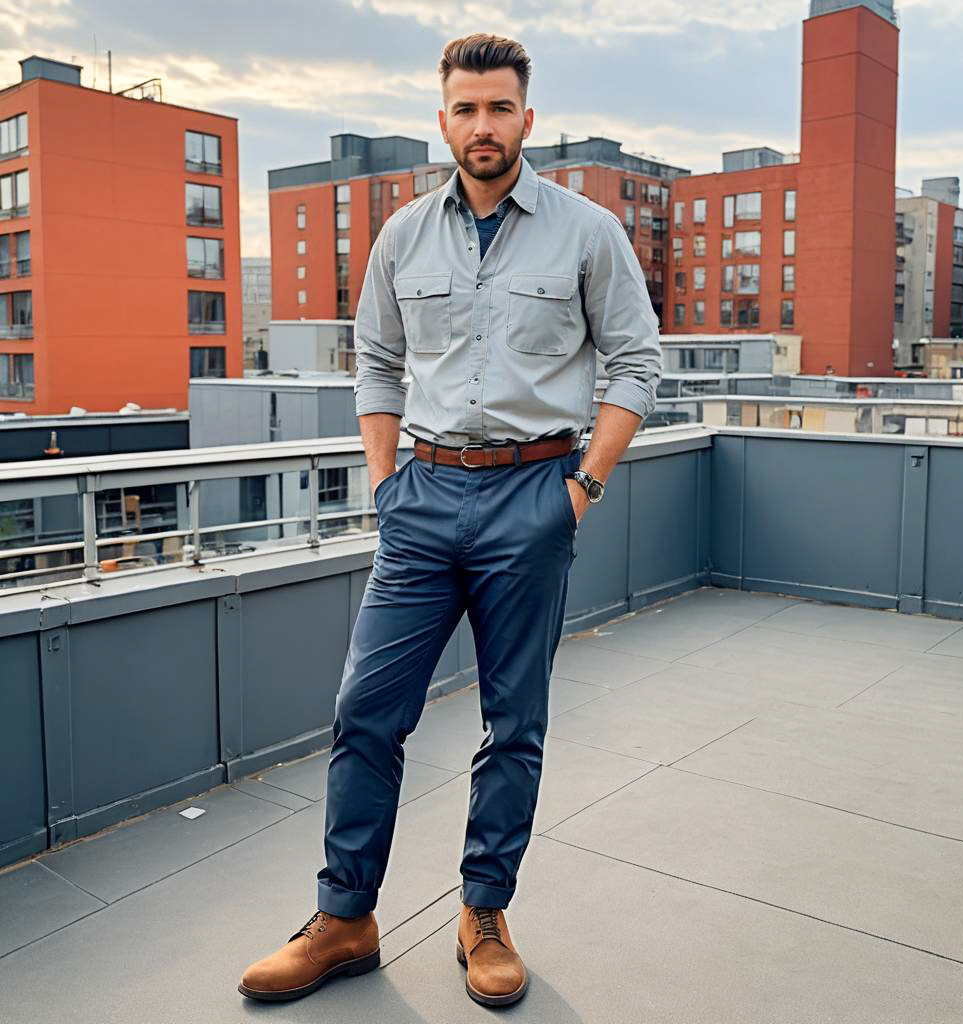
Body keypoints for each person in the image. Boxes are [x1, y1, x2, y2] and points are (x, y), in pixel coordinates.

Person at [238, 31, 663, 1009]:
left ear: (525, 116)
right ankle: (344, 918)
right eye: (465, 109)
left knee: (513, 722)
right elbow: (376, 364)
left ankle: (484, 913)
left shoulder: (586, 230)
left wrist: (579, 489)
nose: (482, 125)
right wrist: (387, 482)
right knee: (364, 713)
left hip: (533, 494)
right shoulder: (401, 236)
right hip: (423, 497)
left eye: (498, 107)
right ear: (444, 122)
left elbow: (636, 364)